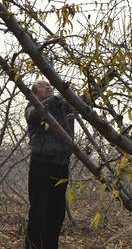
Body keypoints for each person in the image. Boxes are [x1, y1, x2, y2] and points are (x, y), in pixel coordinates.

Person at [24, 81, 74, 249]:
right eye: (43, 85)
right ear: (35, 93)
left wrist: (103, 81)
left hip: (61, 165)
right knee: (39, 212)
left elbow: (85, 102)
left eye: (49, 84)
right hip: (41, 166)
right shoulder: (32, 108)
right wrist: (60, 95)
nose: (48, 86)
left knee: (57, 212)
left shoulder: (63, 107)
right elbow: (36, 115)